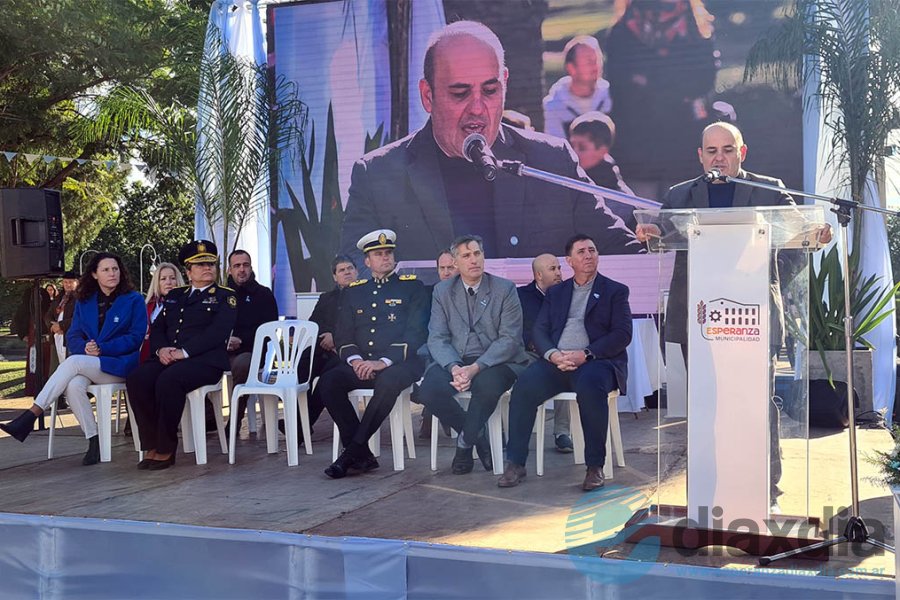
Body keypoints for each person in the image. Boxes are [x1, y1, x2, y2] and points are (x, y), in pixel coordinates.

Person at [340, 20, 641, 268]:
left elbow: (621, 250)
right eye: (460, 93)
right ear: (427, 95)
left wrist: (672, 250)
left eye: (490, 90)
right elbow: (353, 281)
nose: (477, 107)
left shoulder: (551, 162)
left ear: (505, 84)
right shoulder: (378, 176)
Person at [636, 122, 832, 503]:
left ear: (742, 152)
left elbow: (797, 238)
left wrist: (774, 268)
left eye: (728, 150)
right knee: (707, 402)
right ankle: (710, 480)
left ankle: (765, 484)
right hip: (699, 318)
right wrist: (650, 233)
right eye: (712, 151)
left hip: (752, 317)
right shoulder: (680, 195)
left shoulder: (768, 190)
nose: (719, 158)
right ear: (700, 156)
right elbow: (662, 237)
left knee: (755, 401)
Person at [499, 234, 632, 491]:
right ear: (570, 260)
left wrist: (587, 354)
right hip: (557, 361)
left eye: (592, 250)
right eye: (581, 252)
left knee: (591, 387)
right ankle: (515, 463)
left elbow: (622, 334)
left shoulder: (615, 291)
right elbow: (540, 329)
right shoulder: (557, 292)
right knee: (524, 387)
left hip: (596, 361)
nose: (589, 255)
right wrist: (552, 354)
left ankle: (595, 466)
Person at [1, 253, 147, 466]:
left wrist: (101, 348)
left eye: (115, 269)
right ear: (95, 274)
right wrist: (85, 347)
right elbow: (73, 335)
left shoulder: (133, 299)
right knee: (73, 384)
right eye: (105, 270)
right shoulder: (84, 301)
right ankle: (94, 440)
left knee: (73, 363)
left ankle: (31, 414)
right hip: (91, 360)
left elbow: (135, 338)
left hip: (120, 364)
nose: (112, 273)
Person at [319, 229, 429, 479]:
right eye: (379, 254)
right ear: (367, 262)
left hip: (399, 363)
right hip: (362, 362)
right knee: (328, 382)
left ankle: (350, 454)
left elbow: (416, 333)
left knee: (388, 382)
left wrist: (382, 362)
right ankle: (363, 455)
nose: (386, 258)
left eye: (389, 253)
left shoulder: (412, 288)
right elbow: (343, 334)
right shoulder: (354, 291)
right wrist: (356, 361)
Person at [419, 235, 529, 474]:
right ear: (456, 263)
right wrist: (454, 367)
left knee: (487, 388)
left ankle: (464, 444)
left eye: (477, 253)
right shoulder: (442, 291)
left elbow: (510, 339)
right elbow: (437, 337)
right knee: (428, 390)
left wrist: (476, 367)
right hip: (456, 359)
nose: (473, 260)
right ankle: (478, 437)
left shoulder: (505, 289)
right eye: (466, 256)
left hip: (495, 361)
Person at [125, 240, 237, 471]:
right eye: (200, 265)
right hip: (170, 357)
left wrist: (183, 353)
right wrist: (161, 350)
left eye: (210, 264)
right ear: (188, 271)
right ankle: (151, 445)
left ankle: (166, 449)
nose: (207, 268)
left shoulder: (225, 297)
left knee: (169, 380)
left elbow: (217, 333)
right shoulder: (176, 295)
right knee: (137, 378)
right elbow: (158, 327)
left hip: (204, 362)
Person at [604, 0, 717, 200]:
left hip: (682, 137)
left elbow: (704, 79)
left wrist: (649, 80)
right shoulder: (623, 31)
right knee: (643, 214)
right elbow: (619, 82)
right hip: (637, 140)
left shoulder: (695, 28)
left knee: (679, 211)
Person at [280, 254, 358, 441]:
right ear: (334, 276)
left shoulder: (363, 296)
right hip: (322, 348)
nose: (346, 272)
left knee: (327, 380)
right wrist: (326, 337)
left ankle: (301, 425)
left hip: (346, 352)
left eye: (350, 269)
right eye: (342, 270)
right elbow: (314, 324)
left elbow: (361, 328)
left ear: (356, 271)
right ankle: (298, 421)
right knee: (299, 368)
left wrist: (336, 339)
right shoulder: (326, 298)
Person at [517, 253, 572, 453]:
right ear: (539, 275)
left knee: (564, 367)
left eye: (559, 268)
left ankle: (562, 432)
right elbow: (514, 328)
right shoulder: (521, 296)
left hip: (558, 352)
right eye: (553, 269)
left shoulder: (568, 293)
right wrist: (532, 344)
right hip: (529, 353)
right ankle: (514, 431)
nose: (559, 273)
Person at [224, 250, 279, 434]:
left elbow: (270, 331)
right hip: (221, 350)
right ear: (229, 270)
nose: (241, 270)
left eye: (245, 265)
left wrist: (241, 340)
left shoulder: (263, 294)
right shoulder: (220, 295)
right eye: (237, 266)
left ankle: (234, 422)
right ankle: (207, 417)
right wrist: (224, 340)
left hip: (253, 352)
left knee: (243, 364)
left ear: (251, 267)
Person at [568, 112, 637, 232]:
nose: (574, 153)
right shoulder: (569, 177)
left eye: (582, 147)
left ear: (602, 150)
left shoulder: (618, 198)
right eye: (571, 145)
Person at [542, 36, 612, 139]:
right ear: (571, 68)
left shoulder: (612, 95)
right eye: (589, 62)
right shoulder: (553, 107)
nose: (595, 66)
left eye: (597, 60)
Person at [141, 262, 184, 363]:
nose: (168, 282)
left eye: (172, 278)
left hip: (173, 355)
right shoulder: (148, 305)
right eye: (163, 279)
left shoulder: (185, 304)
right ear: (157, 282)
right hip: (147, 354)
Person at [45, 271, 79, 370]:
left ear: (76, 282)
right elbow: (48, 315)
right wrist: (53, 326)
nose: (68, 285)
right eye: (65, 282)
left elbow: (80, 318)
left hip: (70, 338)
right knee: (55, 369)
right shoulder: (59, 298)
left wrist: (62, 325)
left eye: (70, 282)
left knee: (69, 368)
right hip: (56, 336)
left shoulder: (80, 298)